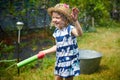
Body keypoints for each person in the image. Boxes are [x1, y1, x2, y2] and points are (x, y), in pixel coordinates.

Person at [38, 3, 83, 80]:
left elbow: (79, 34)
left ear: (65, 19)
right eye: (53, 17)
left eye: (57, 18)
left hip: (70, 60)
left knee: (68, 79)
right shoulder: (56, 32)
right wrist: (44, 52)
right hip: (60, 60)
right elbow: (57, 46)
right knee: (58, 78)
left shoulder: (70, 29)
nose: (54, 20)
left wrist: (75, 21)